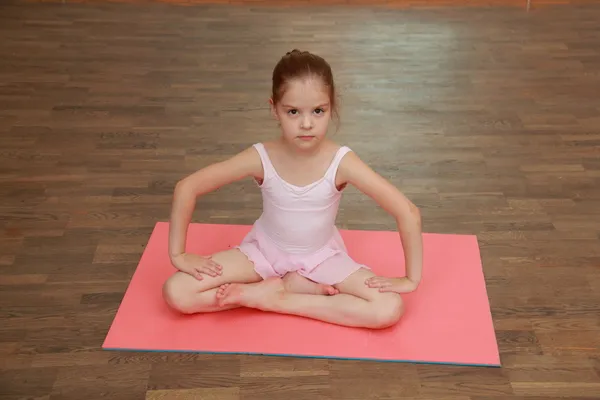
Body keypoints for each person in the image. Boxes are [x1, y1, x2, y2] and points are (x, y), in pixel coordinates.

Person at [162, 49, 423, 329]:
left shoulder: (341, 162)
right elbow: (187, 187)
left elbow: (407, 211)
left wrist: (411, 279)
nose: (306, 123)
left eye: (318, 111)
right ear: (274, 108)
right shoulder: (260, 157)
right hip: (263, 252)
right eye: (293, 112)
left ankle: (278, 298)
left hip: (321, 258)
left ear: (331, 108)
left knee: (388, 308)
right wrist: (178, 255)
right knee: (177, 292)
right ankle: (284, 288)